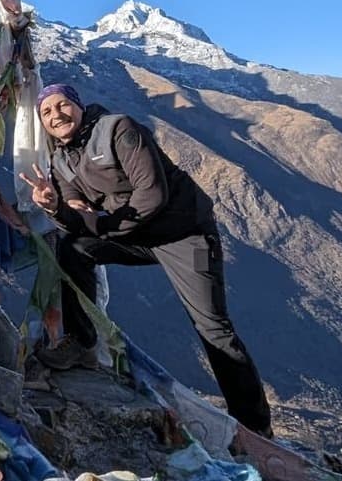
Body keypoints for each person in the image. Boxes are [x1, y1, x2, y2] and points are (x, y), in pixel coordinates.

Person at [19, 83, 272, 437]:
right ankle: (82, 342)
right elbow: (77, 217)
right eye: (46, 112)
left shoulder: (118, 130)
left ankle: (255, 428)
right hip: (133, 237)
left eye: (62, 105)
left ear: (78, 105)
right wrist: (55, 207)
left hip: (183, 234)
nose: (56, 115)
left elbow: (152, 194)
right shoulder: (61, 160)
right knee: (73, 248)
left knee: (214, 329)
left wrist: (102, 226)